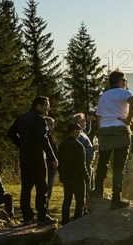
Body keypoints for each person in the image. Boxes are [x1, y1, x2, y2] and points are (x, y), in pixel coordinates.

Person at [7, 96, 58, 226]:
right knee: (42, 187)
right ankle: (42, 216)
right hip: (38, 158)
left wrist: (21, 144)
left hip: (24, 158)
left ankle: (27, 217)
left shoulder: (22, 117)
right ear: (39, 106)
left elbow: (10, 133)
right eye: (47, 105)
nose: (49, 108)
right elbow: (44, 140)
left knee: (26, 188)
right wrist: (52, 158)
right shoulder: (39, 119)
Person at [94, 71, 133, 210]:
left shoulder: (104, 96)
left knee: (103, 162)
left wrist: (101, 130)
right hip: (120, 130)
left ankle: (98, 190)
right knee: (119, 166)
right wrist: (128, 120)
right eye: (124, 80)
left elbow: (99, 116)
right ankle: (116, 199)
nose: (125, 83)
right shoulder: (124, 92)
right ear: (119, 81)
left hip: (105, 131)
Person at [57, 123, 88, 225]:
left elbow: (59, 162)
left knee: (67, 200)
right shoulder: (78, 145)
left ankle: (65, 222)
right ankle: (77, 222)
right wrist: (87, 177)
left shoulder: (62, 145)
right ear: (74, 131)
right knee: (80, 201)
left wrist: (61, 174)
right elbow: (81, 164)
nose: (80, 132)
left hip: (66, 177)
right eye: (79, 130)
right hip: (77, 177)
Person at [72, 113, 97, 193]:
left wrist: (89, 121)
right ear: (78, 123)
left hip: (89, 162)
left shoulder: (82, 133)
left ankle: (88, 201)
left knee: (90, 182)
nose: (85, 122)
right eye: (84, 121)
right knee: (87, 183)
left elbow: (87, 131)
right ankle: (86, 201)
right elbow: (79, 152)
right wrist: (93, 149)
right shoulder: (78, 135)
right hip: (85, 163)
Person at [44, 116, 58, 208]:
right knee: (48, 186)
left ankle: (46, 203)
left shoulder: (51, 136)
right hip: (49, 164)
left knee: (49, 185)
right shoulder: (46, 137)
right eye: (52, 124)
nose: (53, 126)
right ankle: (45, 204)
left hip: (52, 164)